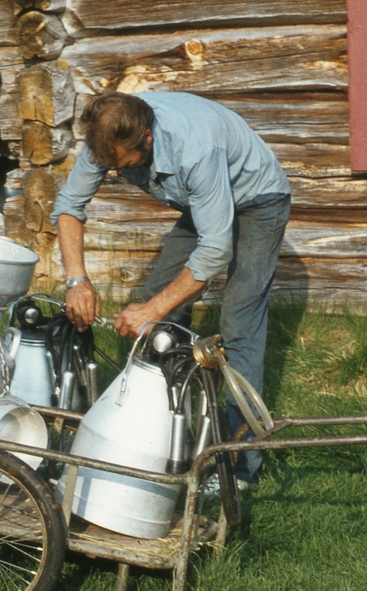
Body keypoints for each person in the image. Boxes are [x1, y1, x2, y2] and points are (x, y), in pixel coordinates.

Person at [50, 91, 291, 487]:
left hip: (258, 200)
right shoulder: (107, 135)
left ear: (146, 137)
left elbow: (215, 251)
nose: (112, 171)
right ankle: (154, 441)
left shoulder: (195, 148)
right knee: (159, 316)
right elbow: (69, 206)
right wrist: (77, 281)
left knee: (239, 323)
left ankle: (238, 469)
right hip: (204, 205)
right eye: (105, 163)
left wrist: (153, 308)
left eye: (119, 164)